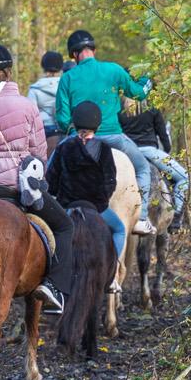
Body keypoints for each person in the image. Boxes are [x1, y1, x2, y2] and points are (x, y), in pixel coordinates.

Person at [0, 42, 76, 313]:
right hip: (16, 188)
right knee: (65, 226)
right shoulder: (26, 105)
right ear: (8, 71)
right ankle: (54, 286)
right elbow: (38, 154)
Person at [52, 29, 154, 234]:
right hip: (115, 137)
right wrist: (146, 81)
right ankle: (141, 218)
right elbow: (139, 93)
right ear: (94, 50)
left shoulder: (67, 78)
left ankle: (51, 214)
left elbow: (62, 118)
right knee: (143, 169)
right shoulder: (114, 70)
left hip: (77, 138)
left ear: (73, 55)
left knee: (50, 168)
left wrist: (73, 129)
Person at [47, 100, 125, 265]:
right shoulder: (103, 148)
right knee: (120, 230)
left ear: (75, 123)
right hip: (96, 208)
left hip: (68, 207)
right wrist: (101, 201)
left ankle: (50, 276)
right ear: (96, 124)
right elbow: (110, 182)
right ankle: (112, 271)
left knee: (49, 233)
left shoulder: (63, 147)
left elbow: (51, 182)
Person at [121, 73, 188, 222]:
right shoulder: (152, 107)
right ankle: (176, 216)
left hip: (126, 151)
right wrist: (167, 151)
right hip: (149, 152)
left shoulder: (119, 107)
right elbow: (164, 138)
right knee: (183, 177)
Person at [28, 51, 64, 139]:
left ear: (43, 66)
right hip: (63, 128)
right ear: (60, 67)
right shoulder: (65, 86)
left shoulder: (35, 89)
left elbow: (31, 114)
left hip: (43, 130)